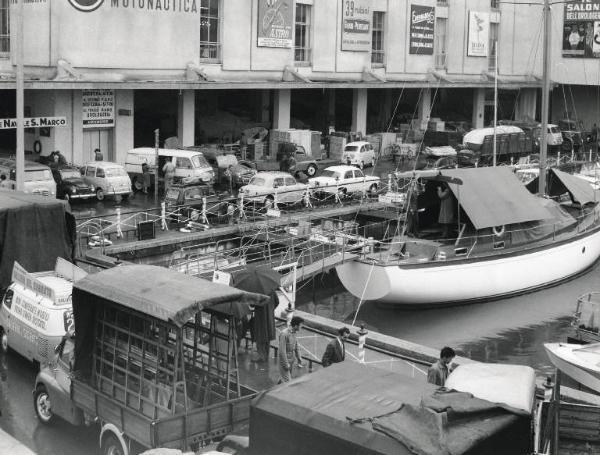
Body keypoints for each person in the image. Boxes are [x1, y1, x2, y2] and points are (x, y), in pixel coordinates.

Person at [278, 316, 304, 383]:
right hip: (284, 361)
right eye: (301, 325)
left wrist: (299, 359)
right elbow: (282, 351)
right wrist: (286, 364)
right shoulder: (284, 334)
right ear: (296, 326)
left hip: (291, 360)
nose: (302, 326)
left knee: (284, 379)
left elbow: (296, 347)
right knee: (288, 382)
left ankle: (278, 386)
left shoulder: (295, 332)